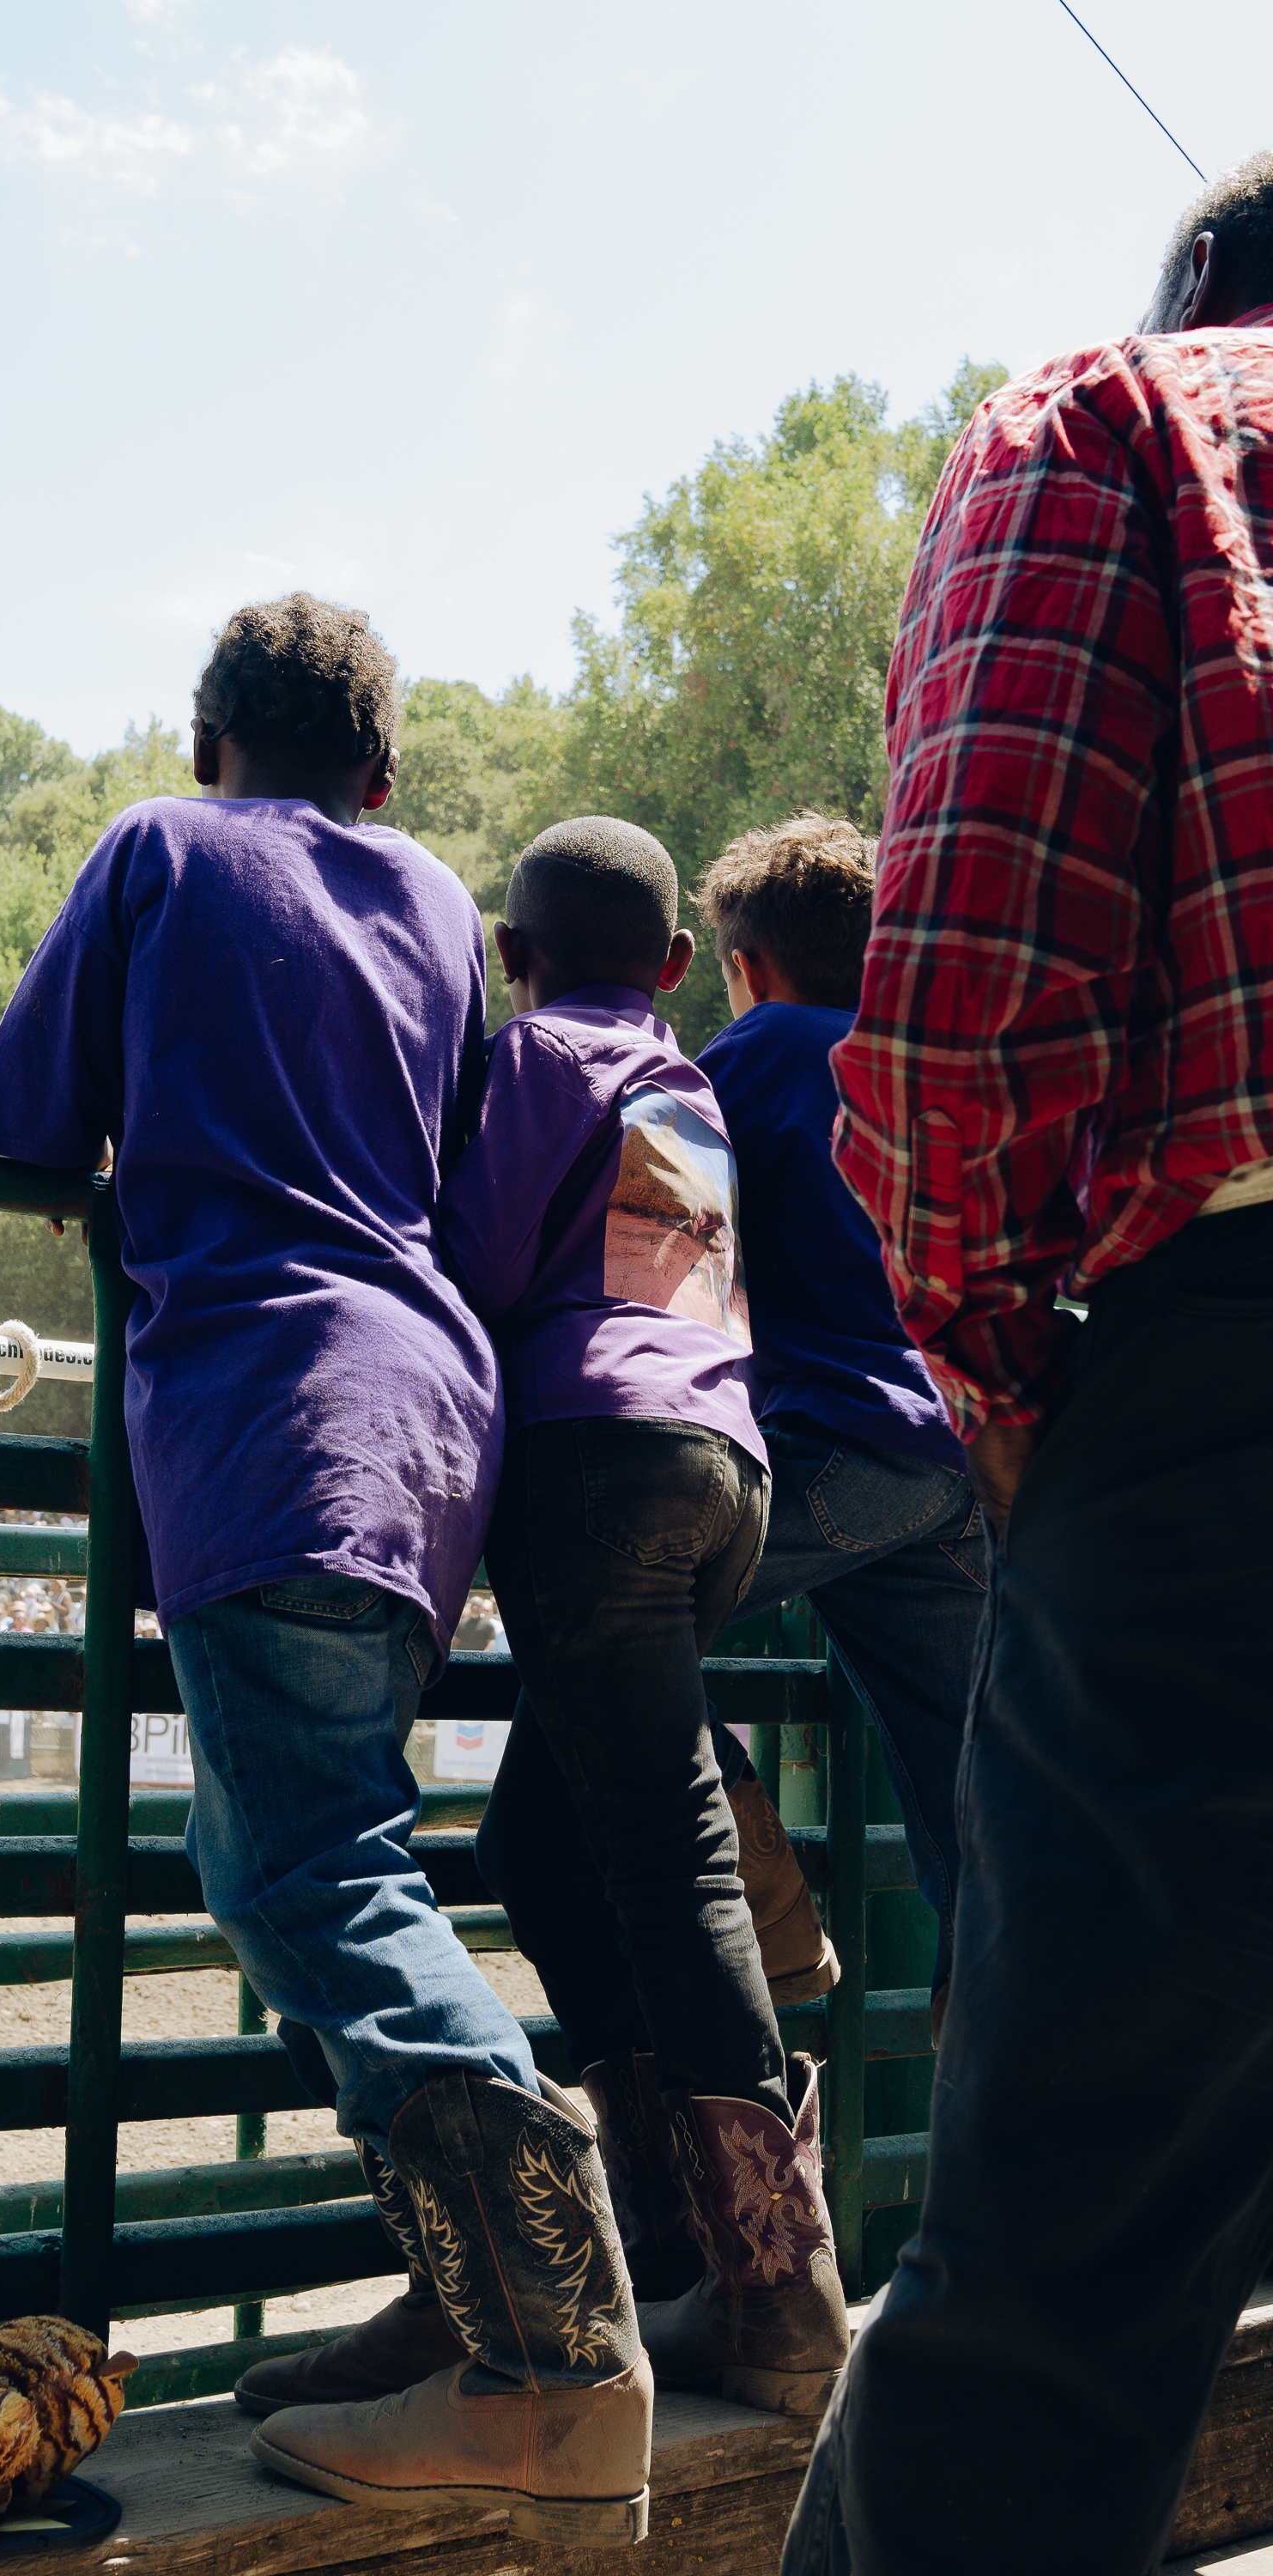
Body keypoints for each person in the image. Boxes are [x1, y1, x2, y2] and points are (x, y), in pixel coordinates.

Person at [0, 596, 652, 2544]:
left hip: (268, 1405)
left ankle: (557, 2349)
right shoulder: (435, 897)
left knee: (307, 1865)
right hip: (426, 1418)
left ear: (208, 745)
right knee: (287, 1856)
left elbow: (17, 1122)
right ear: (376, 772)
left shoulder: (161, 852)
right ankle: (477, 2308)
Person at [782, 157, 1273, 2576]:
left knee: (1061, 2259)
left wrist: (995, 1361)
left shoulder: (1122, 425)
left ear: (1202, 286)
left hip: (1228, 1393)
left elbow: (965, 969)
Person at [444, 817, 850, 2403]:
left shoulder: (534, 1054)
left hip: (595, 1469)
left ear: (512, 954)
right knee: (532, 1842)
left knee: (671, 1853)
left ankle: (779, 2298)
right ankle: (678, 2245)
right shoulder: (686, 1084)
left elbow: (471, 1258)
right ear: (677, 966)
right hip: (721, 1472)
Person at [695, 814, 984, 2038]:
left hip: (834, 1446)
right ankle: (998, 2036)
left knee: (610, 1607)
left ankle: (761, 1893)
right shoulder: (919, 1065)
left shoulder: (743, 1060)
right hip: (957, 1454)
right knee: (973, 1784)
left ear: (749, 965)